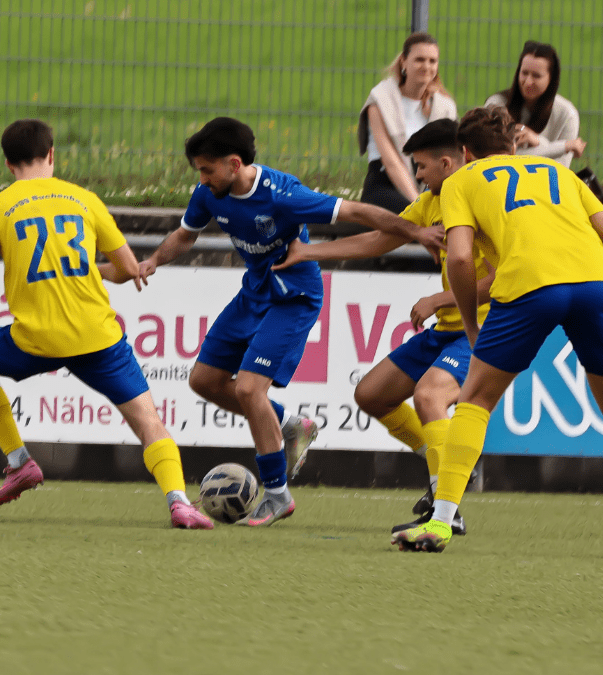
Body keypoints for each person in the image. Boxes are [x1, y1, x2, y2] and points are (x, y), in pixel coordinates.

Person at [392, 106, 603, 560]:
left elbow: (462, 259)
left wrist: (471, 325)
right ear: (513, 145)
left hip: (529, 285)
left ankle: (440, 523)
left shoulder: (463, 182)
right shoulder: (559, 173)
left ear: (465, 152)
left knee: (474, 401)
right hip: (593, 283)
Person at [131, 116, 444, 527]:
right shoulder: (209, 193)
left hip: (293, 297)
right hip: (254, 293)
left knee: (248, 389)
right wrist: (153, 259)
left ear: (234, 163)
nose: (202, 179)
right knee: (203, 380)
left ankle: (277, 495)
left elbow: (355, 209)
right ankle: (290, 424)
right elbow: (186, 235)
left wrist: (416, 232)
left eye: (207, 170)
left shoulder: (283, 195)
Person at [0, 119, 213, 530]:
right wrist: (95, 271)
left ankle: (18, 461)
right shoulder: (83, 200)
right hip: (97, 336)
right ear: (52, 155)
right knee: (147, 420)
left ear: (7, 163)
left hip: (35, 339)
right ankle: (179, 502)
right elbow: (126, 269)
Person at [272, 119, 493, 535]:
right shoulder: (432, 202)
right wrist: (308, 253)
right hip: (447, 330)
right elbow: (378, 240)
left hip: (484, 330)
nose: (417, 175)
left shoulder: (481, 200)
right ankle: (446, 464)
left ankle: (447, 505)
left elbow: (502, 276)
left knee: (429, 396)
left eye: (421, 166)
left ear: (447, 162)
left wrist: (438, 299)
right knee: (371, 394)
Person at [357, 32, 457, 214]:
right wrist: (418, 204)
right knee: (414, 218)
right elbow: (391, 162)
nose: (426, 66)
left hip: (427, 185)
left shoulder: (444, 106)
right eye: (419, 60)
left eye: (432, 61)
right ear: (404, 62)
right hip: (384, 184)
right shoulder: (380, 99)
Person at [484, 41, 586, 169]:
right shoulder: (496, 105)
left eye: (536, 76)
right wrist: (563, 147)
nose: (528, 82)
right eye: (524, 73)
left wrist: (537, 141)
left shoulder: (567, 114)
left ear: (551, 78)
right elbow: (494, 160)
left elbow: (560, 170)